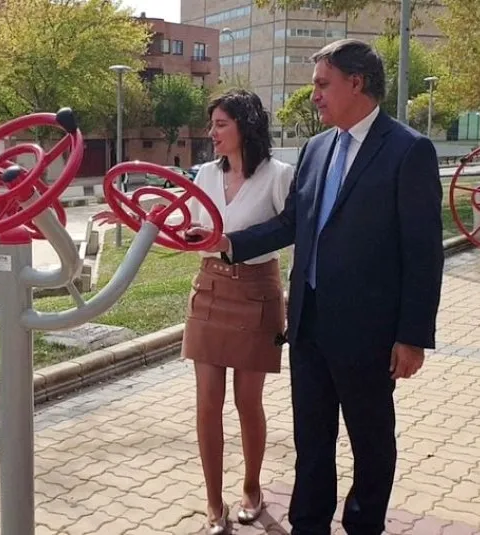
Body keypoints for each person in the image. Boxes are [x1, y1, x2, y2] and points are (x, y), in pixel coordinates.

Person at [187, 39, 444, 535]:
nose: (314, 98)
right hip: (308, 327)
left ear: (357, 83)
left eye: (323, 86)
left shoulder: (408, 150)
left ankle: (364, 522)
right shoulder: (317, 148)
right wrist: (226, 241)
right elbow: (291, 224)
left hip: (369, 333)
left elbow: (423, 252)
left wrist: (412, 336)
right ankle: (308, 523)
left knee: (370, 440)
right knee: (312, 438)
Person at [180, 88, 295, 534]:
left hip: (256, 292)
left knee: (248, 402)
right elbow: (185, 221)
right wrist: (139, 219)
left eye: (220, 124)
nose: (212, 134)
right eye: (211, 125)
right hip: (209, 290)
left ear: (245, 126)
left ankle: (251, 486)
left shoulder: (278, 175)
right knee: (208, 402)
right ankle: (213, 502)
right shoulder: (205, 174)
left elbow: (289, 230)